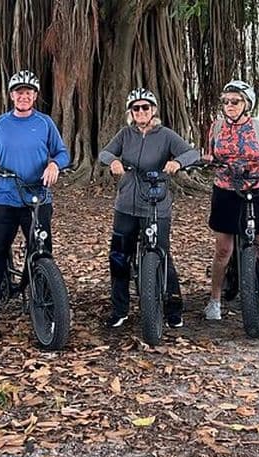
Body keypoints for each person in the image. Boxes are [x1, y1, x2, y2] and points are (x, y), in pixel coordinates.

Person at [0, 70, 70, 343]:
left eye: (28, 92)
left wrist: (54, 164)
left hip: (38, 199)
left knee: (41, 253)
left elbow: (63, 153)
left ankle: (45, 311)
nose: (23, 96)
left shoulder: (45, 123)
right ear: (11, 95)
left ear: (35, 96)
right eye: (18, 91)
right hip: (4, 198)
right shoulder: (1, 124)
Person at [98, 88, 199, 329]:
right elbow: (105, 152)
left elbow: (192, 153)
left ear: (153, 110)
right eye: (136, 108)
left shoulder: (165, 135)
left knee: (162, 254)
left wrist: (177, 162)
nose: (141, 112)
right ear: (130, 113)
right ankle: (120, 309)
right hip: (126, 204)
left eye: (145, 107)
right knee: (120, 258)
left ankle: (173, 307)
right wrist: (113, 161)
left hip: (156, 203)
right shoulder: (125, 134)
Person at [202, 80, 259, 321]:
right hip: (225, 191)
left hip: (255, 189)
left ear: (247, 104)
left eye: (235, 101)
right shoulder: (216, 127)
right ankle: (214, 300)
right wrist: (207, 159)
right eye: (226, 101)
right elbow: (211, 154)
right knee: (223, 249)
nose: (229, 105)